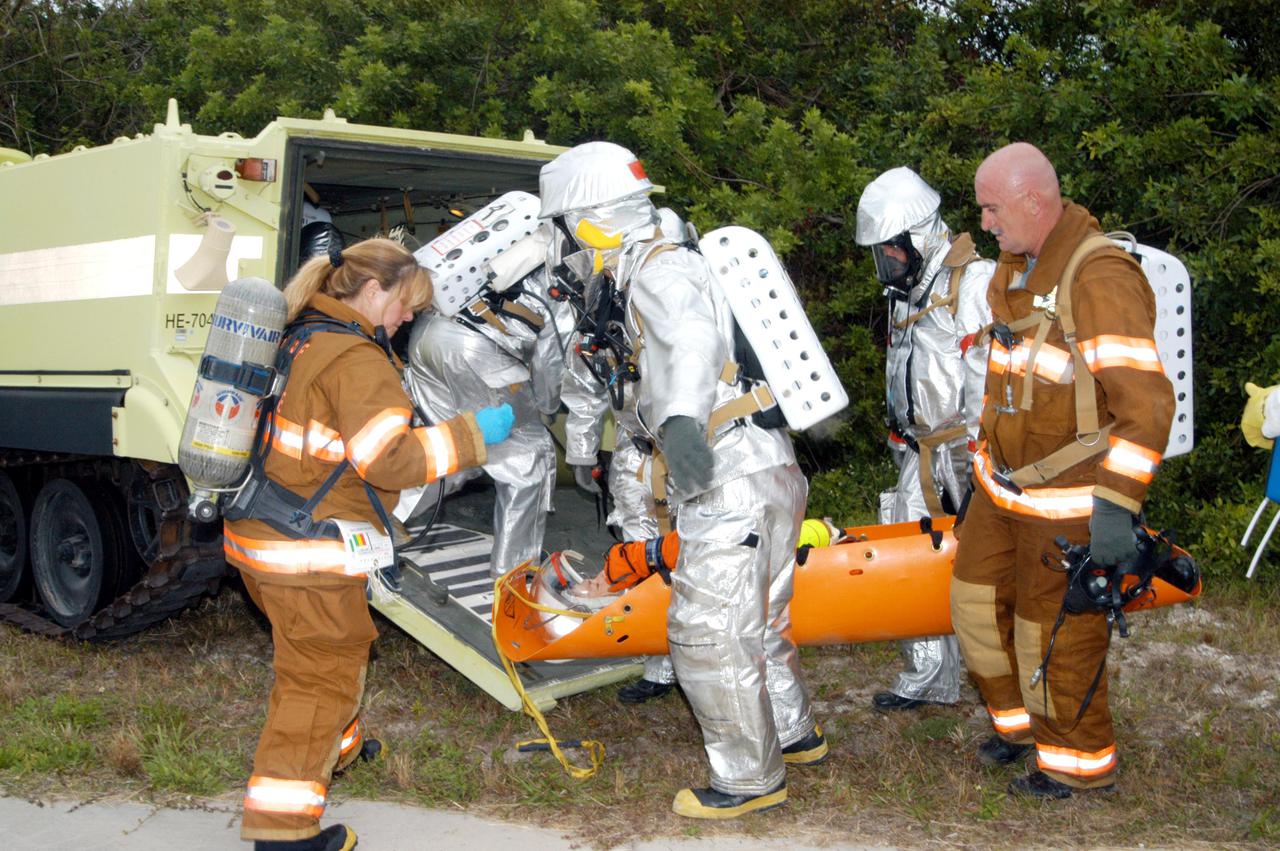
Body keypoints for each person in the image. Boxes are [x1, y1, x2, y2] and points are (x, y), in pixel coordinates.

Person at [539, 141, 825, 819]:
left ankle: (750, 779)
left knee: (708, 631)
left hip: (725, 471)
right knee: (760, 622)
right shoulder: (654, 263)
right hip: (763, 465)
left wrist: (685, 425)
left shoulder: (659, 274)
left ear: (583, 219)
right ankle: (794, 731)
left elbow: (693, 343)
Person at [223, 237, 513, 850]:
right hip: (306, 553)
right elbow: (389, 461)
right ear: (373, 290)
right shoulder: (355, 359)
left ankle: (337, 748)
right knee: (319, 677)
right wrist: (470, 436)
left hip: (263, 537)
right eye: (406, 304)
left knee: (320, 657)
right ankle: (282, 833)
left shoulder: (301, 336)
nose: (407, 318)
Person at [950, 142, 1174, 798]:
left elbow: (1148, 406)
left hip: (1071, 496)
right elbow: (1007, 381)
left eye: (992, 208)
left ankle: (1074, 761)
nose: (985, 222)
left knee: (1052, 632)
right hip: (1002, 485)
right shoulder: (1015, 268)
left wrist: (1116, 505)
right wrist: (978, 467)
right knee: (975, 605)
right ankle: (1019, 724)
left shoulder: (1100, 277)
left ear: (1033, 201)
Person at [854, 167, 993, 713]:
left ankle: (1002, 679)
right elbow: (905, 368)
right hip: (921, 450)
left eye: (889, 251)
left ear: (918, 235)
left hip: (964, 449)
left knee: (985, 566)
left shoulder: (972, 283)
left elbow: (987, 373)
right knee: (911, 559)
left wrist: (985, 456)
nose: (884, 263)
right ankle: (931, 674)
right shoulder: (907, 292)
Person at [561, 207, 692, 704]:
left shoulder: (689, 314)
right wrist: (580, 452)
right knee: (641, 554)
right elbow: (585, 385)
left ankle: (694, 656)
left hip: (685, 452)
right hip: (636, 453)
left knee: (689, 556)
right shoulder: (609, 314)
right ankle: (659, 664)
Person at [404, 247, 574, 578]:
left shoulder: (516, 246)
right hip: (476, 352)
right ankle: (512, 574)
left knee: (449, 445)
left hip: (427, 334)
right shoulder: (569, 277)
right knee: (527, 455)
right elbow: (550, 357)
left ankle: (380, 520)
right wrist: (547, 406)